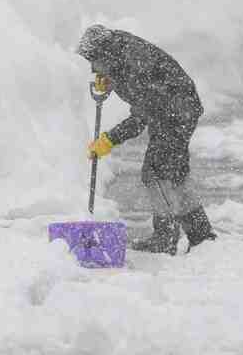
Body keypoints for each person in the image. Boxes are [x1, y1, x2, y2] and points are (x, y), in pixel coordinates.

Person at [77, 24, 217, 255]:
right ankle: (200, 233)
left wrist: (109, 139)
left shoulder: (134, 66)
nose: (92, 69)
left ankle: (165, 237)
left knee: (156, 172)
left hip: (173, 112)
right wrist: (111, 79)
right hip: (177, 107)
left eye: (93, 62)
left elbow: (141, 116)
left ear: (103, 54)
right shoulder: (119, 51)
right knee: (176, 173)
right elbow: (142, 88)